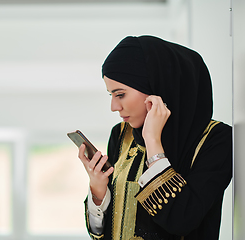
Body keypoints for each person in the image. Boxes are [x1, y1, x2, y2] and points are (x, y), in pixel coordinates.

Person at [77, 35, 232, 240]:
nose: (114, 107)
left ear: (155, 87)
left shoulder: (215, 140)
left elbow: (181, 220)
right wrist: (98, 191)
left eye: (120, 94)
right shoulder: (121, 135)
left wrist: (153, 142)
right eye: (111, 95)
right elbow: (103, 234)